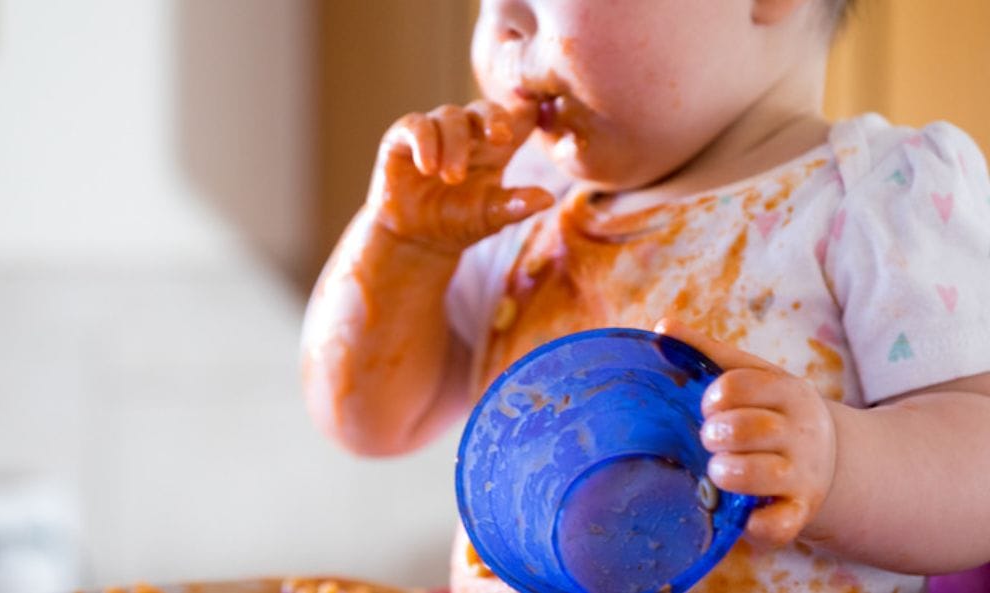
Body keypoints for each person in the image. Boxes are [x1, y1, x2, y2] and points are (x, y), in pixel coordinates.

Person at [299, 0, 990, 591]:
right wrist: (404, 245)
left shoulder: (880, 195)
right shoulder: (522, 206)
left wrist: (838, 461)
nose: (504, 21)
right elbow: (369, 420)